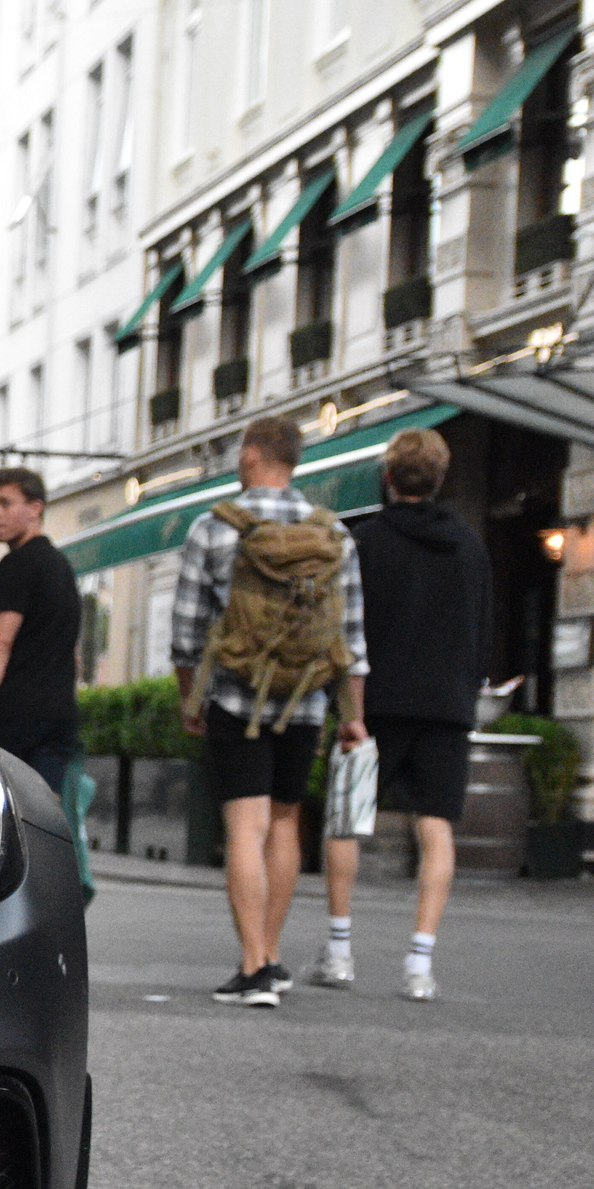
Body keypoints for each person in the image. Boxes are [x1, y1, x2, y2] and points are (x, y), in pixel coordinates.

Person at [171, 416, 368, 1008]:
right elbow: (352, 640)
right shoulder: (334, 534)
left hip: (238, 698)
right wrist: (352, 714)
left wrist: (190, 698)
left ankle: (253, 966)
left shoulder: (215, 527)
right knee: (285, 823)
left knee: (245, 826)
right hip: (306, 700)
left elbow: (186, 632)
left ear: (254, 455)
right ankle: (274, 955)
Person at [315, 427, 489, 1001]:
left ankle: (340, 952)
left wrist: (345, 704)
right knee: (436, 827)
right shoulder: (469, 544)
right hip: (446, 704)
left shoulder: (363, 541)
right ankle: (420, 964)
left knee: (348, 818)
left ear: (388, 477)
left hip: (375, 703)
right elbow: (483, 629)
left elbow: (344, 630)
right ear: (440, 479)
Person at [0, 467, 84, 794]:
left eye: (5, 504)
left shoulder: (16, 565)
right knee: (42, 820)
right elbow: (72, 652)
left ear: (36, 508)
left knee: (7, 818)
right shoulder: (62, 566)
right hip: (60, 717)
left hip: (16, 719)